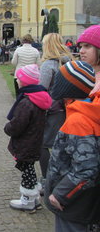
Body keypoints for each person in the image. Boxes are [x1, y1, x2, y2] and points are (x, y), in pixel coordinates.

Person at [44, 60, 99, 232]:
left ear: (68, 87)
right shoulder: (82, 109)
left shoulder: (79, 120)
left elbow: (86, 168)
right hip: (83, 201)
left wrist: (60, 195)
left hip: (73, 204)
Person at [4, 64, 52, 212]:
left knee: (27, 170)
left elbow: (18, 124)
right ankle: (32, 197)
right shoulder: (38, 97)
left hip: (26, 142)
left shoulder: (27, 102)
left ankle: (28, 200)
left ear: (24, 82)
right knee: (28, 168)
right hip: (34, 140)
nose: (17, 80)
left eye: (18, 78)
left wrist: (8, 128)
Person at [38, 33, 74, 190]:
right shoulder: (70, 62)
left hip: (53, 110)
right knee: (65, 145)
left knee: (43, 144)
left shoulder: (49, 65)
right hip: (70, 109)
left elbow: (42, 89)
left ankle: (48, 179)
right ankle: (64, 175)